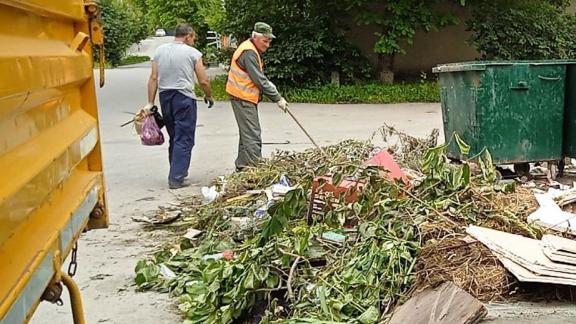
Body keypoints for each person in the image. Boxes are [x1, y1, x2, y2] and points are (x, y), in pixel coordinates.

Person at [147, 23, 214, 189]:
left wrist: (150, 103)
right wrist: (208, 95)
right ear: (188, 36)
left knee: (175, 135)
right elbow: (203, 80)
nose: (194, 41)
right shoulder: (192, 53)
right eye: (193, 38)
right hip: (183, 98)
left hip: (165, 97)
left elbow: (154, 78)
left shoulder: (160, 51)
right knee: (184, 137)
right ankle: (176, 178)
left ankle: (177, 170)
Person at [226, 22, 289, 171]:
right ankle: (256, 170)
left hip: (242, 96)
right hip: (243, 97)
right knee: (252, 135)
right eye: (265, 40)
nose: (268, 45)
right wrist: (277, 98)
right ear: (255, 37)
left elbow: (258, 77)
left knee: (246, 133)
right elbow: (259, 80)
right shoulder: (249, 52)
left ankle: (242, 166)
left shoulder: (251, 49)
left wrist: (270, 86)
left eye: (270, 41)